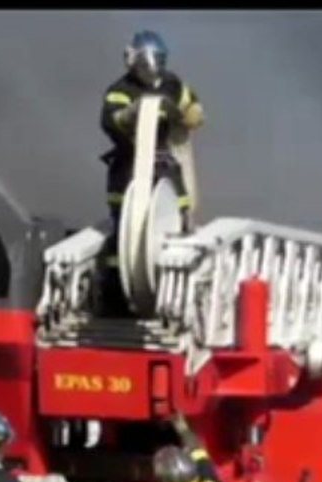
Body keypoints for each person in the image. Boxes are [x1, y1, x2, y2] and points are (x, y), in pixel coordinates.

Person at [98, 30, 205, 316]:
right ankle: (116, 297)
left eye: (156, 61)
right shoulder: (120, 90)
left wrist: (192, 111)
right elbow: (111, 120)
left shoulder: (171, 84)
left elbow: (190, 103)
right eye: (146, 62)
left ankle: (177, 295)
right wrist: (130, 115)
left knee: (180, 222)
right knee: (124, 228)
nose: (152, 68)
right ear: (132, 61)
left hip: (164, 163)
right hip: (129, 165)